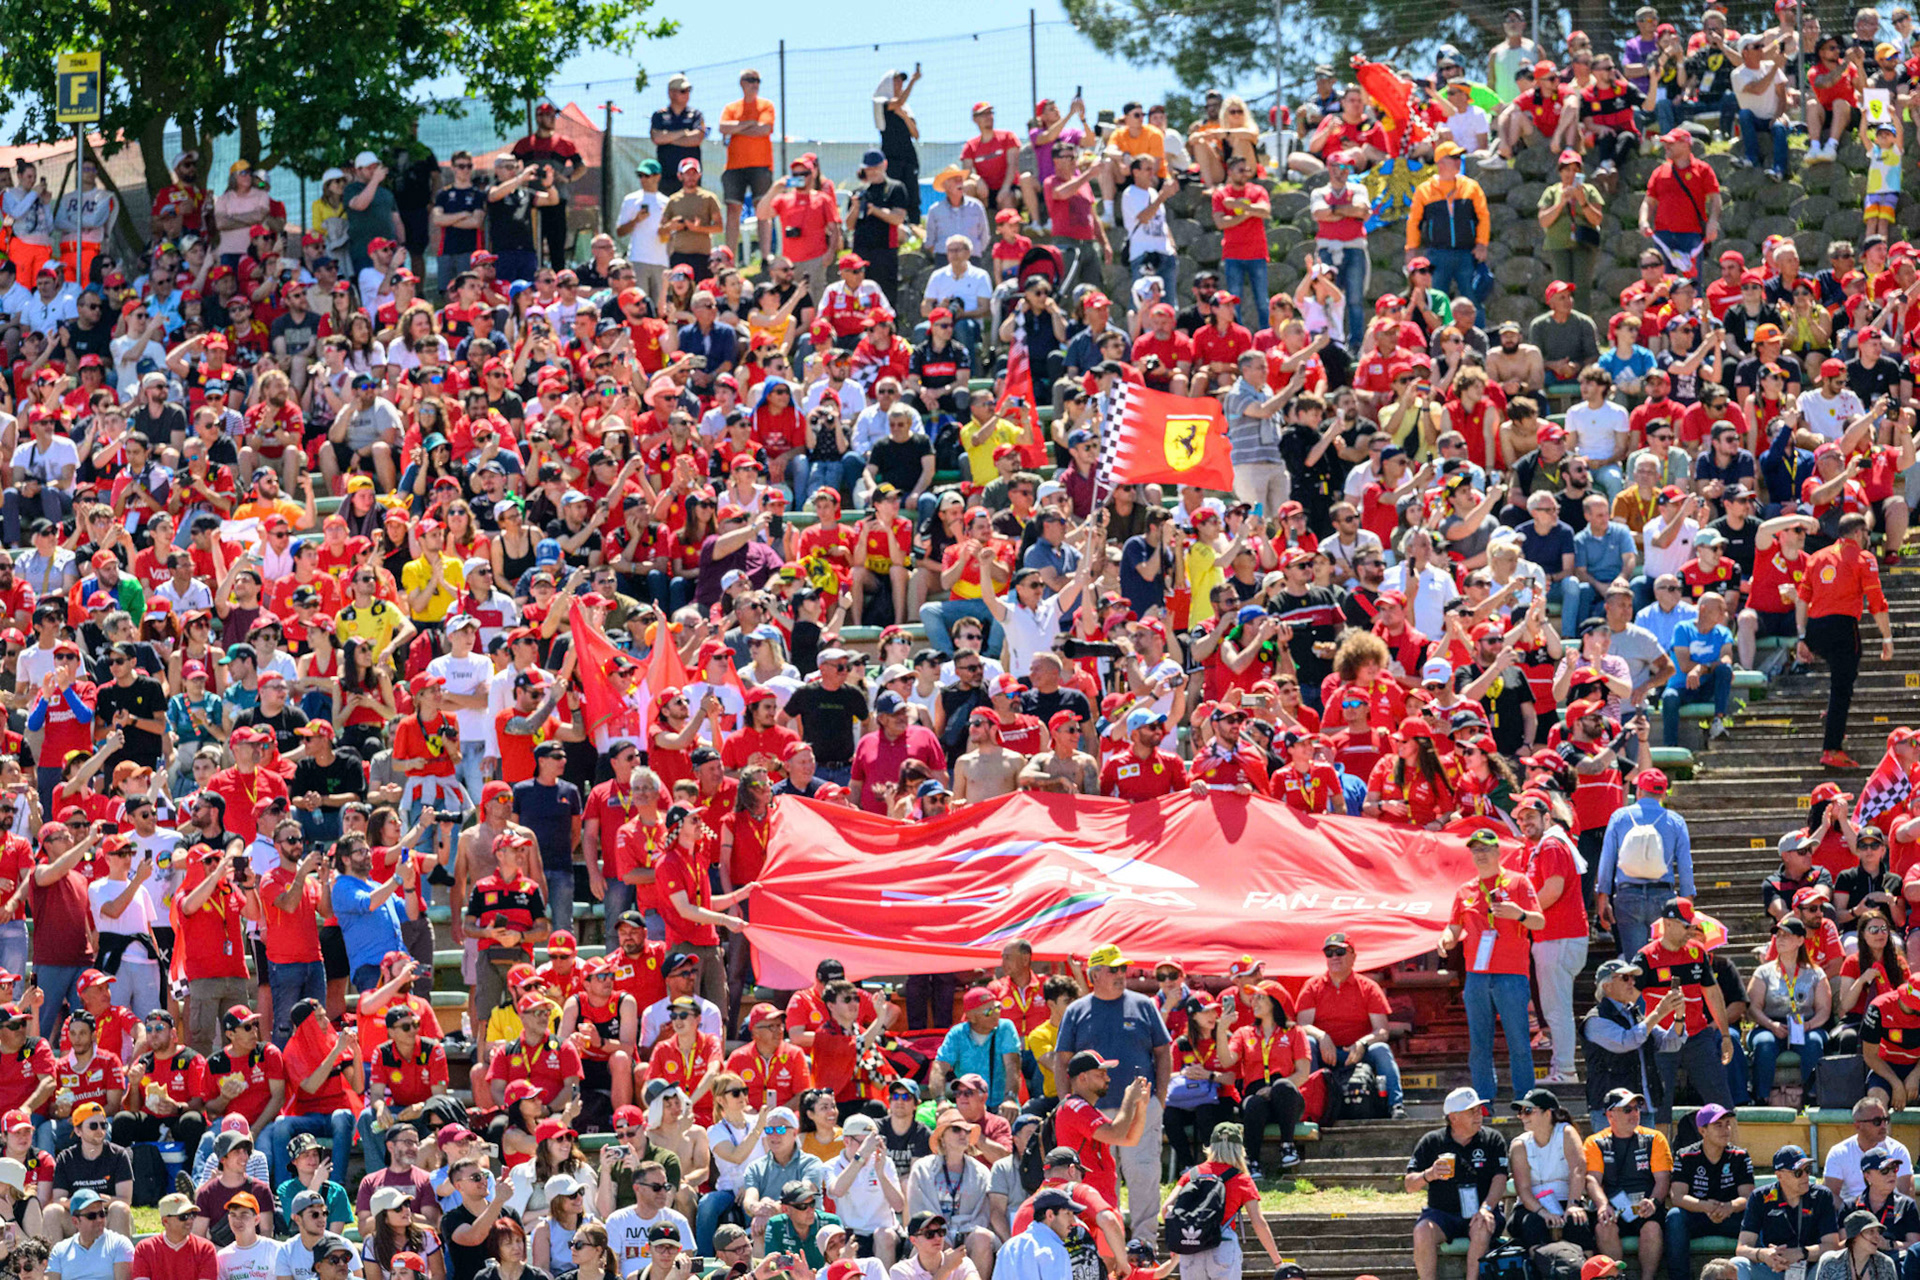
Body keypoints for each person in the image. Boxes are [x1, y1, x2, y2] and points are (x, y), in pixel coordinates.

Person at [1051, 943, 1170, 1243]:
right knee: (1098, 1180)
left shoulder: (1144, 1004)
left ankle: (1145, 1244)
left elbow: (1163, 1052)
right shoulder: (1077, 1010)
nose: (1121, 974)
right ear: (1094, 975)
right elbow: (1062, 1059)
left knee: (1143, 1175)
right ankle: (1102, 1245)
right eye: (1113, 969)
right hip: (1092, 1113)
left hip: (1142, 1108)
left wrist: (1161, 1098)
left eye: (1123, 968)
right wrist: (1068, 1101)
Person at [1436, 829, 1542, 1106]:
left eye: (1485, 848)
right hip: (1477, 976)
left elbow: (1538, 922)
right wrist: (1446, 938)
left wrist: (1517, 913)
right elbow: (1454, 926)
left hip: (1511, 974)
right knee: (1479, 1045)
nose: (1480, 854)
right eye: (1475, 849)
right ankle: (1483, 1102)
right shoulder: (1465, 890)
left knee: (1519, 1041)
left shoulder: (1518, 882)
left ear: (1498, 852)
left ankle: (1525, 1100)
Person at [1797, 513, 1893, 770]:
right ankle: (1832, 748)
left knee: (1838, 683)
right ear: (1859, 533)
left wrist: (1801, 637)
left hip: (1815, 628)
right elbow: (1877, 602)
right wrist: (1887, 637)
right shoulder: (1863, 559)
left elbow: (1802, 598)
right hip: (1842, 627)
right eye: (1866, 534)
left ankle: (1833, 720)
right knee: (1842, 687)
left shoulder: (1817, 557)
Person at [1295, 932, 1406, 1119]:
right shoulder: (1312, 986)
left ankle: (1396, 1106)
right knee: (1308, 1043)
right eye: (1329, 954)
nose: (1334, 957)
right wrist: (1322, 1036)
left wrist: (1362, 1044)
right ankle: (1311, 1106)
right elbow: (1303, 1024)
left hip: (1358, 1053)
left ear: (1353, 956)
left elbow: (1382, 1030)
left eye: (1340, 952)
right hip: (1325, 1053)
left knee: (1381, 1049)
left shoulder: (1369, 987)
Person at [1408, 1087, 1511, 1280]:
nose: (1479, 1114)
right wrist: (1429, 1174)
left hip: (1481, 1209)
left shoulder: (1492, 1139)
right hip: (1442, 1214)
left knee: (1482, 1225)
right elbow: (1409, 1185)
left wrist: (1487, 1207)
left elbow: (1500, 1178)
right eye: (1471, 1111)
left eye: (1479, 1109)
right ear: (1453, 1117)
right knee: (1422, 1231)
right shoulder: (1432, 1141)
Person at [1583, 1087, 1672, 1273]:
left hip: (1646, 1207)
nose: (1634, 1113)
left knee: (1653, 1228)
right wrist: (1602, 1205)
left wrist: (1654, 1202)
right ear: (1610, 1115)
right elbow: (1592, 1179)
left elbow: (1663, 1178)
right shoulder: (1595, 1142)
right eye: (1627, 1109)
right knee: (1603, 1227)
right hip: (1613, 1208)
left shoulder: (1655, 1138)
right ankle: (1617, 1277)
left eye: (1637, 1108)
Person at [1664, 1104, 1756, 1280]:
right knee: (1675, 1217)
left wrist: (1729, 1207)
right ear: (1702, 1131)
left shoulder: (1740, 1156)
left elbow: (1748, 1196)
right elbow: (1677, 1196)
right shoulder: (1685, 1155)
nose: (1725, 1130)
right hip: (1698, 1216)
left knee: (1756, 1218)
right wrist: (1705, 1207)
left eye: (1727, 1124)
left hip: (1730, 1216)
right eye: (1718, 1125)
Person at [1506, 1086, 1593, 1251]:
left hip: (1567, 1200)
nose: (1522, 1116)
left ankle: (1584, 1273)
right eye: (1521, 1111)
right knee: (1533, 1224)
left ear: (1548, 1113)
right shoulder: (1519, 1144)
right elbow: (1523, 1189)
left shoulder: (1567, 1132)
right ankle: (1540, 1269)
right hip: (1532, 1206)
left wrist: (1573, 1204)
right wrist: (1543, 1212)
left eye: (1528, 1110)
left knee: (1577, 1222)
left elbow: (1578, 1169)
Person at [1735, 1146, 1841, 1280]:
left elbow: (1832, 1246)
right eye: (1798, 1172)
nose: (1805, 1176)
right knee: (1738, 1264)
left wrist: (1800, 1253)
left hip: (1811, 1270)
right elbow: (1742, 1247)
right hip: (1773, 1269)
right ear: (1779, 1175)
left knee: (1830, 1260)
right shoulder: (1760, 1197)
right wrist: (1764, 1255)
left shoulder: (1821, 1195)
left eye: (1807, 1170)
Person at [993, 1187, 1080, 1280]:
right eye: (1068, 1213)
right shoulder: (1055, 1250)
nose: (1073, 1221)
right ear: (1050, 1215)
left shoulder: (1007, 1247)